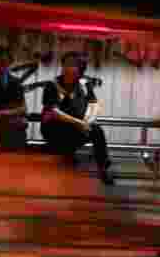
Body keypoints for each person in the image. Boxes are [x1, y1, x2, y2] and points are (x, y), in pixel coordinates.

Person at [40, 51, 114, 185]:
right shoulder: (52, 85)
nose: (68, 68)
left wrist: (88, 121)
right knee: (68, 112)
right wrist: (80, 123)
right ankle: (67, 152)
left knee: (96, 130)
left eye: (73, 65)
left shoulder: (85, 84)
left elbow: (94, 105)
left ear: (80, 68)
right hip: (55, 130)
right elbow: (54, 112)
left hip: (76, 128)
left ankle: (103, 169)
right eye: (66, 64)